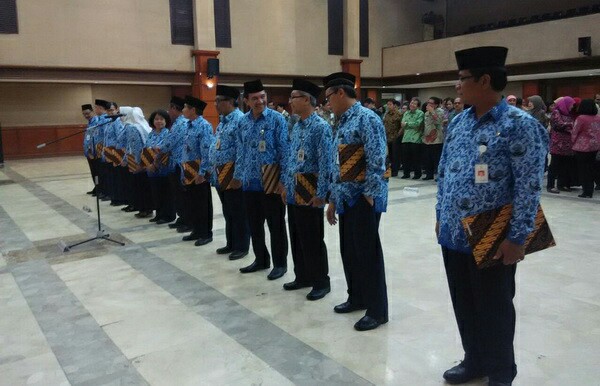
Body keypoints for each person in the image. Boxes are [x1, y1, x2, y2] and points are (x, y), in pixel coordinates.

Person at [436, 46, 548, 386]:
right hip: (455, 233)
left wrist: (518, 238)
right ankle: (475, 360)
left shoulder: (520, 125)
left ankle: (501, 372)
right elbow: (443, 172)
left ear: (484, 80)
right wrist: (441, 214)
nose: (457, 86)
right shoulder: (459, 122)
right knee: (464, 303)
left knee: (494, 308)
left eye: (462, 79)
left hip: (492, 232)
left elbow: (528, 188)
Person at [323, 72, 389, 331]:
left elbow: (377, 158)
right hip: (344, 197)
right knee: (350, 251)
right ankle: (357, 297)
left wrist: (370, 194)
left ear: (340, 93)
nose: (327, 103)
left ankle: (377, 310)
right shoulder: (340, 122)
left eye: (329, 97)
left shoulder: (367, 118)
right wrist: (331, 198)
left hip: (363, 197)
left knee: (368, 254)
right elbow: (335, 162)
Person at [280, 78, 333, 301]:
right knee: (296, 235)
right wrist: (284, 183)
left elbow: (326, 163)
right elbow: (290, 158)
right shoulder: (296, 125)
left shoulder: (320, 127)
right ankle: (302, 275)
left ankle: (320, 281)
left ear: (306, 99)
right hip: (293, 188)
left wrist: (321, 194)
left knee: (312, 238)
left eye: (293, 97)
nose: (290, 101)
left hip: (310, 189)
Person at [234, 79, 289, 280]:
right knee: (254, 224)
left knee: (276, 225)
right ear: (247, 101)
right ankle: (261, 259)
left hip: (272, 180)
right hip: (250, 182)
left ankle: (280, 263)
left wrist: (283, 180)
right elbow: (241, 151)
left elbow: (284, 151)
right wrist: (239, 176)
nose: (260, 101)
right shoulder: (243, 122)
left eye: (263, 97)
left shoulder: (277, 120)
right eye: (255, 98)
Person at [209, 85, 250, 260]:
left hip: (233, 172)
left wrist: (238, 175)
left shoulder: (240, 120)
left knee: (238, 211)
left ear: (232, 102)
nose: (216, 104)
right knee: (228, 210)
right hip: (220, 172)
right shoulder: (222, 121)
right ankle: (231, 242)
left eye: (220, 101)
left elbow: (243, 150)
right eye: (215, 101)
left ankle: (241, 246)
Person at [179, 95, 215, 246]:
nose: (183, 110)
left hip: (199, 169)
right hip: (188, 168)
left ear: (193, 110)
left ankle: (206, 233)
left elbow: (206, 151)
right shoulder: (188, 125)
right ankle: (196, 230)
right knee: (192, 202)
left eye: (185, 107)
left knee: (202, 203)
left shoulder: (204, 126)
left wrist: (203, 172)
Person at [156, 97, 191, 232]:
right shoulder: (177, 123)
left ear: (175, 108)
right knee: (177, 194)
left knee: (182, 195)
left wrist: (159, 149)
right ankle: (182, 218)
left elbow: (170, 142)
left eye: (170, 108)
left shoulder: (181, 123)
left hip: (179, 164)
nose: (168, 111)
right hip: (174, 163)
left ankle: (187, 220)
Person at [121, 107, 154, 218]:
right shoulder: (143, 125)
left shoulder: (132, 128)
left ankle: (144, 209)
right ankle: (147, 208)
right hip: (145, 158)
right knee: (145, 185)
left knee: (139, 185)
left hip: (136, 160)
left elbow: (134, 147)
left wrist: (138, 163)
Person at [145, 110, 176, 223]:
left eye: (161, 119)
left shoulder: (168, 133)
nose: (159, 121)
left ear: (166, 120)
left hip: (164, 167)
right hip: (151, 169)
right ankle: (159, 214)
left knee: (166, 192)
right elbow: (146, 149)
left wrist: (155, 163)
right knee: (156, 192)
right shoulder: (151, 133)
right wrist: (148, 164)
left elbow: (166, 150)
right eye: (156, 119)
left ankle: (168, 215)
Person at [571, 99, 600, 198]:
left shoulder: (581, 118)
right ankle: (590, 190)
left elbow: (575, 132)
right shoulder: (598, 118)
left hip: (582, 147)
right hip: (595, 146)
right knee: (591, 169)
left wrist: (572, 142)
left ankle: (586, 191)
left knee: (583, 170)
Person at [548, 96, 576, 193]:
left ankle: (561, 185)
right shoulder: (556, 112)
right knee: (554, 165)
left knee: (565, 166)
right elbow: (558, 125)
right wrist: (570, 125)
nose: (572, 106)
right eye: (571, 104)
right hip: (558, 144)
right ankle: (550, 185)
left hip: (568, 145)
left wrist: (569, 125)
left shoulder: (569, 114)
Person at [400, 97, 424, 179]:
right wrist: (407, 124)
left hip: (415, 138)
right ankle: (406, 174)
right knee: (405, 158)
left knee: (416, 158)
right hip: (406, 138)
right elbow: (402, 123)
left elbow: (417, 124)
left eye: (414, 103)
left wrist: (407, 124)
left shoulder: (420, 113)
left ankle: (417, 174)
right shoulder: (406, 113)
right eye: (411, 103)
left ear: (418, 106)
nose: (412, 105)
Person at [422, 96, 445, 180]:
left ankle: (438, 175)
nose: (429, 105)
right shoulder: (426, 113)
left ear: (436, 104)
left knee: (436, 158)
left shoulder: (440, 111)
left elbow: (439, 122)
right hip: (427, 138)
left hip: (437, 138)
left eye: (431, 103)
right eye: (428, 103)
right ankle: (429, 174)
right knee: (428, 158)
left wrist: (432, 112)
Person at [82, 104, 99, 195]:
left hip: (94, 152)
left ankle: (100, 189)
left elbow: (95, 138)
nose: (86, 116)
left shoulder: (96, 121)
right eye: (84, 114)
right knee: (93, 171)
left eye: (87, 113)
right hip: (89, 152)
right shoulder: (90, 122)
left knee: (97, 172)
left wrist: (91, 151)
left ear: (92, 111)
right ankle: (96, 187)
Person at [383, 99, 403, 177]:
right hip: (387, 137)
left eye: (390, 104)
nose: (388, 106)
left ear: (394, 105)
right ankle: (389, 170)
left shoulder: (398, 114)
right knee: (389, 155)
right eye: (387, 104)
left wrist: (398, 135)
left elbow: (402, 126)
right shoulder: (387, 114)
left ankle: (395, 171)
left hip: (395, 137)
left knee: (395, 155)